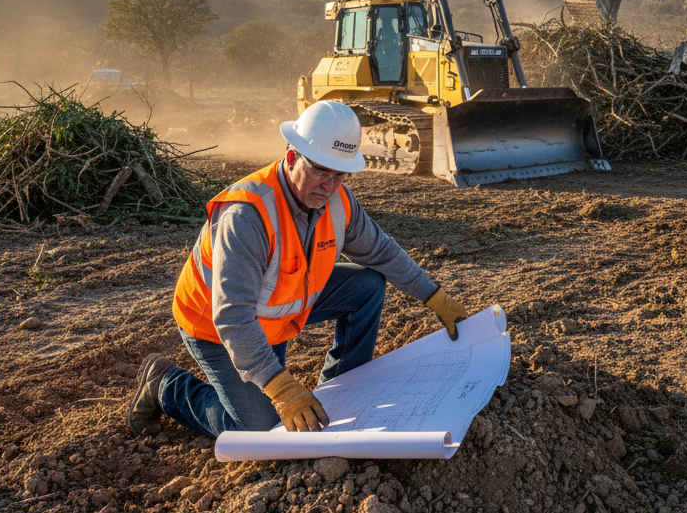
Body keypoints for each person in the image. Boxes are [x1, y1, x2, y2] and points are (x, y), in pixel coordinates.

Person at [127, 101, 470, 439]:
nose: (330, 185)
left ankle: (342, 391)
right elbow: (232, 316)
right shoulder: (247, 216)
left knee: (366, 284)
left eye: (340, 174)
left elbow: (380, 251)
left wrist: (435, 297)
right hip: (216, 326)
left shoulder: (338, 201)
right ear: (291, 158)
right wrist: (281, 388)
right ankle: (166, 384)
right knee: (260, 429)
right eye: (321, 170)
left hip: (276, 310)